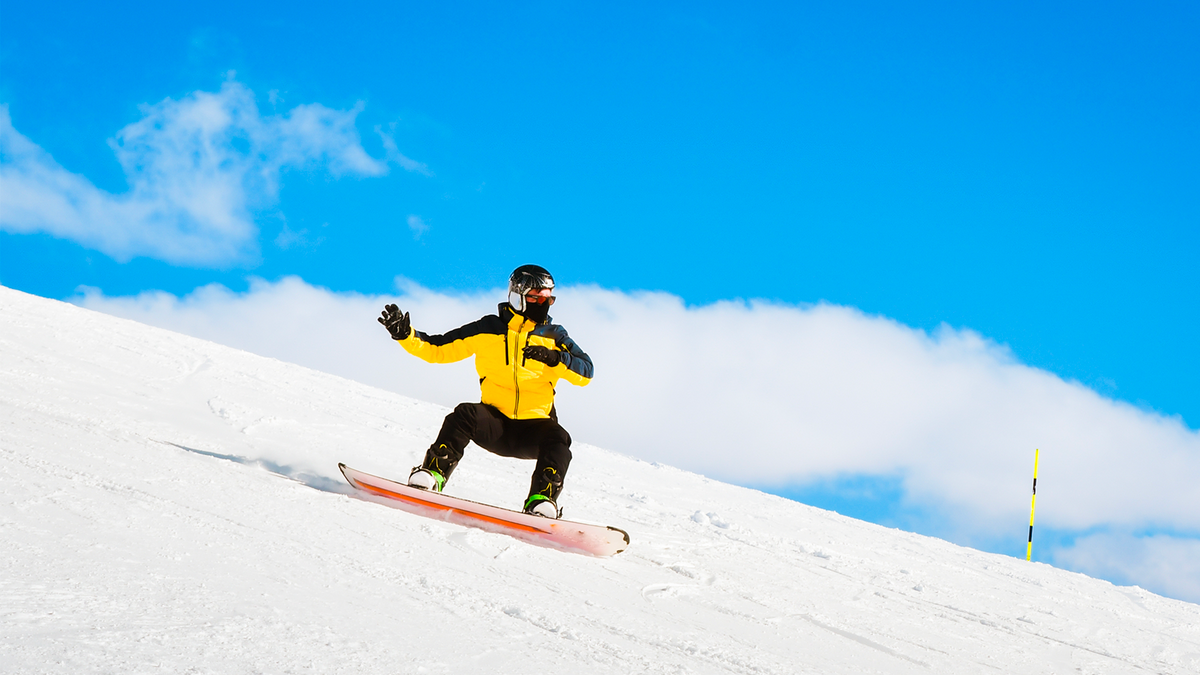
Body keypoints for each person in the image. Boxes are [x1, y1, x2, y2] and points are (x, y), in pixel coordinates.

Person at [377, 265, 593, 518]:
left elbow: (586, 372)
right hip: (495, 426)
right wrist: (405, 335)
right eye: (535, 297)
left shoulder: (555, 336)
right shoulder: (488, 329)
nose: (542, 304)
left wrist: (555, 358)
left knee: (559, 437)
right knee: (465, 413)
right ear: (518, 297)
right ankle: (433, 473)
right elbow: (438, 348)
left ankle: (541, 501)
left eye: (548, 299)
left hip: (533, 431)